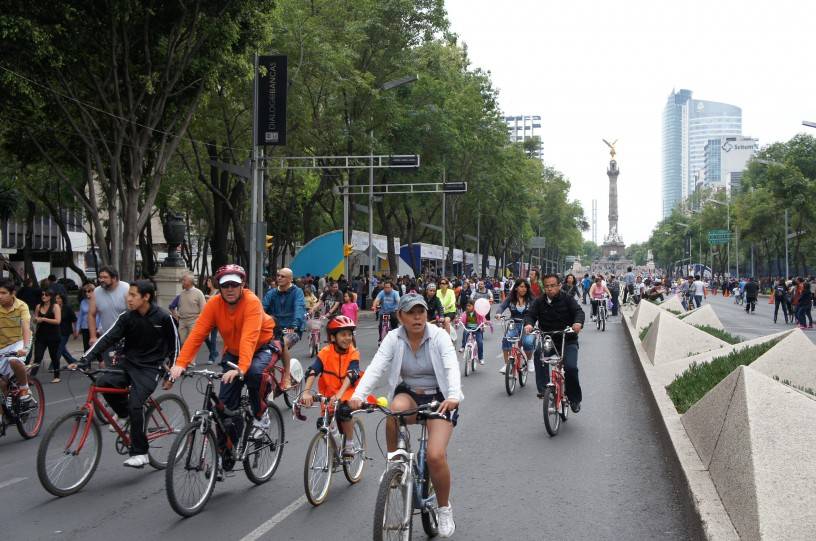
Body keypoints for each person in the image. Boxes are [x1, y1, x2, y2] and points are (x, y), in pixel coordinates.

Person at [349, 294, 462, 538]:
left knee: (434, 455)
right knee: (392, 411)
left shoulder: (439, 336)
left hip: (440, 398)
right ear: (401, 316)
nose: (417, 316)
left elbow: (451, 365)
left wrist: (453, 395)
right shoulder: (394, 337)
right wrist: (358, 395)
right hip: (410, 393)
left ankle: (443, 508)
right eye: (411, 312)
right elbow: (377, 367)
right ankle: (396, 464)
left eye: (421, 311)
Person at [169, 264, 291, 432]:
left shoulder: (251, 302)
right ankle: (228, 454)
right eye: (225, 285)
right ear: (219, 287)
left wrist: (241, 368)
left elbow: (249, 338)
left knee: (254, 373)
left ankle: (261, 413)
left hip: (261, 347)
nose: (230, 289)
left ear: (243, 285)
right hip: (233, 352)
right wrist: (181, 363)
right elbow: (197, 334)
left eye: (234, 285)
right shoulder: (214, 304)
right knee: (224, 409)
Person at [74, 280, 178, 468]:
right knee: (104, 381)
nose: (128, 298)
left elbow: (176, 346)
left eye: (133, 295)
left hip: (151, 367)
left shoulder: (164, 317)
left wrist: (172, 374)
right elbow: (107, 337)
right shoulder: (126, 317)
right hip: (127, 363)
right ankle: (123, 414)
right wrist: (85, 359)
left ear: (146, 297)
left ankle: (141, 453)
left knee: (135, 404)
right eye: (128, 294)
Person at [300, 315, 362, 458]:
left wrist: (340, 394)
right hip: (329, 392)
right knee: (323, 423)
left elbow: (352, 374)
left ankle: (349, 445)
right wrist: (306, 392)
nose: (347, 338)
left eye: (350, 334)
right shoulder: (325, 352)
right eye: (343, 335)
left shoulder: (353, 353)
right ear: (333, 337)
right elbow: (312, 371)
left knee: (344, 411)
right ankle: (335, 450)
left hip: (347, 391)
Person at [524, 273, 585, 411]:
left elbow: (579, 312)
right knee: (539, 353)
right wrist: (528, 324)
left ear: (559, 285)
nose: (550, 289)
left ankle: (574, 399)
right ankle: (544, 389)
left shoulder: (568, 299)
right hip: (549, 340)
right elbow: (530, 315)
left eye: (553, 286)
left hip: (568, 339)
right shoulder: (539, 301)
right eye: (547, 286)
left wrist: (577, 323)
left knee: (571, 368)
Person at [0, 278, 34, 405]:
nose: (0, 296)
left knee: (13, 360)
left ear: (12, 293)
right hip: (2, 344)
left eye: (3, 293)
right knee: (2, 384)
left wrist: (24, 348)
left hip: (19, 341)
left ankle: (24, 388)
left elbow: (26, 327)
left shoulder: (21, 306)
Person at [88, 266, 129, 365]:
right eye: (100, 277)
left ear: (114, 278)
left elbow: (134, 313)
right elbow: (91, 315)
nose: (101, 280)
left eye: (105, 277)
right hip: (107, 337)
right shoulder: (96, 292)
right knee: (110, 367)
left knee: (126, 366)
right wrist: (93, 336)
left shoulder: (126, 288)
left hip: (126, 337)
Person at [497, 279, 535, 374]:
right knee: (506, 339)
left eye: (525, 287)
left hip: (527, 325)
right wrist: (498, 314)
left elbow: (537, 310)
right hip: (513, 324)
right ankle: (507, 365)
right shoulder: (510, 298)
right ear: (516, 288)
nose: (524, 289)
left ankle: (529, 360)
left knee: (528, 342)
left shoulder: (531, 299)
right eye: (521, 287)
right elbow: (502, 306)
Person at [262, 267, 306, 350]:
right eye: (278, 275)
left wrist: (295, 325)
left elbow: (299, 308)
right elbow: (262, 308)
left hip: (291, 328)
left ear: (290, 279)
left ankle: (286, 363)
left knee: (282, 345)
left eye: (283, 276)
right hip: (274, 327)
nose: (279, 278)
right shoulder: (271, 293)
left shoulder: (297, 292)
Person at [33, 290, 62, 383]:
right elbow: (36, 319)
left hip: (53, 335)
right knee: (37, 357)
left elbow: (58, 321)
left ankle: (57, 376)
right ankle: (32, 377)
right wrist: (36, 320)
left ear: (50, 297)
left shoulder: (55, 306)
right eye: (42, 294)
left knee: (53, 356)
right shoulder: (38, 306)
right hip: (41, 335)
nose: (43, 296)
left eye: (46, 295)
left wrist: (44, 319)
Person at [174, 272, 207, 345]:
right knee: (181, 342)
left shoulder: (199, 293)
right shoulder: (182, 293)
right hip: (182, 321)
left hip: (193, 321)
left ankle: (191, 357)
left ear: (190, 282)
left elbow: (204, 310)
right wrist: (177, 316)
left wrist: (199, 321)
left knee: (192, 344)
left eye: (184, 280)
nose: (182, 282)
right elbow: (177, 306)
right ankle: (184, 356)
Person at [458, 299, 486, 364]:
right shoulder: (465, 313)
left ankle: (481, 358)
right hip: (468, 328)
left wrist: (484, 323)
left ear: (474, 306)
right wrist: (459, 322)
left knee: (480, 342)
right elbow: (462, 318)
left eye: (469, 306)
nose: (467, 307)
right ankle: (463, 346)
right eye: (467, 306)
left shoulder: (478, 312)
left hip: (477, 330)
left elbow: (483, 318)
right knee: (465, 332)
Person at [55, 293, 79, 366]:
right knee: (62, 349)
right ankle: (73, 362)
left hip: (65, 331)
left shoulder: (67, 308)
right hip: (56, 332)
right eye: (56, 298)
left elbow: (74, 320)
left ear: (62, 299)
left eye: (59, 298)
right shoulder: (54, 308)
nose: (57, 300)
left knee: (59, 348)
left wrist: (75, 331)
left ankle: (54, 364)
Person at [202, 276, 220, 365]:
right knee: (204, 337)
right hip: (208, 318)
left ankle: (212, 357)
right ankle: (214, 352)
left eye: (209, 281)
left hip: (216, 318)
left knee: (213, 338)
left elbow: (218, 303)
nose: (207, 283)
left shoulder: (218, 292)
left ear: (212, 282)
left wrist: (209, 298)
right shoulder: (208, 292)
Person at [78, 284, 99, 352]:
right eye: (85, 291)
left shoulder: (98, 301)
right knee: (86, 345)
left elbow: (101, 315)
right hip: (85, 327)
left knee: (96, 345)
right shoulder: (83, 302)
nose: (87, 293)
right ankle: (86, 361)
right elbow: (80, 316)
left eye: (89, 291)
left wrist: (100, 327)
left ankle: (100, 360)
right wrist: (77, 328)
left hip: (95, 326)